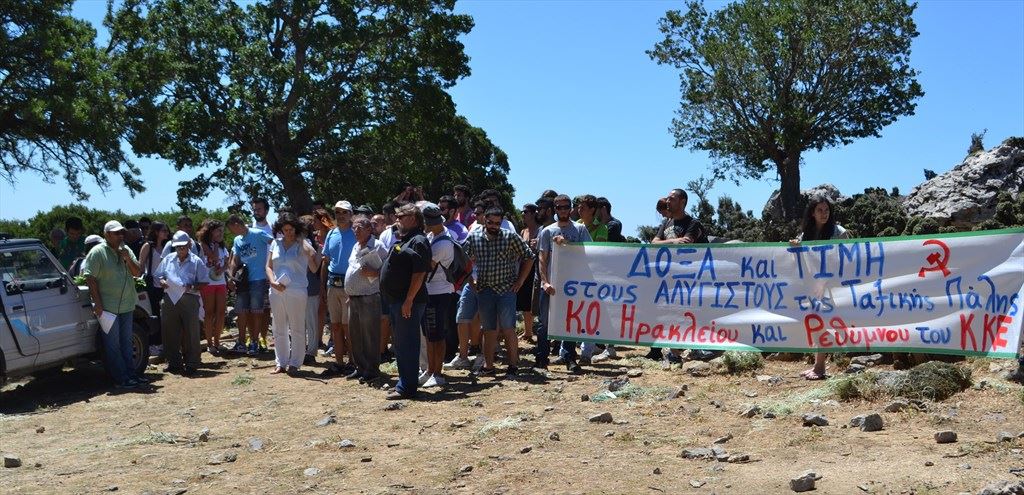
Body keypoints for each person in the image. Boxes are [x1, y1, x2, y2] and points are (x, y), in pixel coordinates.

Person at [463, 207, 535, 377]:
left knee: (509, 328)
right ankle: (489, 366)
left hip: (506, 290)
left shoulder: (509, 237)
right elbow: (464, 260)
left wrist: (520, 281)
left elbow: (529, 256)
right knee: (488, 329)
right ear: (484, 220)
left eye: (497, 223)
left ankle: (512, 366)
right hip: (484, 289)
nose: (494, 226)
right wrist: (470, 280)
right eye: (490, 222)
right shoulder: (474, 237)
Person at [790, 196, 850, 380]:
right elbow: (800, 262)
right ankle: (818, 364)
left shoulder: (839, 233)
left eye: (827, 210)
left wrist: (823, 282)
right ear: (812, 213)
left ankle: (820, 367)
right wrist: (796, 248)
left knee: (823, 322)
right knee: (816, 323)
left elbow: (845, 261)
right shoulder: (805, 235)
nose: (824, 214)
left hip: (834, 285)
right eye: (820, 210)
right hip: (812, 286)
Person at [82, 220, 145, 389]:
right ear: (107, 235)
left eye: (122, 233)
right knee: (113, 345)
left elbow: (137, 272)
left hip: (127, 304)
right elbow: (90, 278)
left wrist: (127, 259)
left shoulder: (126, 250)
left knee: (126, 342)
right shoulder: (97, 252)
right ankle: (121, 378)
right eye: (116, 233)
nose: (120, 236)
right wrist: (97, 303)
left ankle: (132, 375)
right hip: (108, 308)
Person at [380, 203, 432, 399]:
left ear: (414, 218)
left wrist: (409, 299)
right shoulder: (406, 240)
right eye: (397, 216)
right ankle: (404, 383)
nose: (397, 219)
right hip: (397, 300)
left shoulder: (419, 240)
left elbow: (420, 273)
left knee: (408, 343)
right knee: (400, 344)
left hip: (408, 301)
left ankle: (407, 388)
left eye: (402, 216)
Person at [538, 195, 592, 371]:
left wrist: (567, 244)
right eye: (559, 207)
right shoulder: (547, 231)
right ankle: (541, 360)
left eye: (566, 207)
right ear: (554, 209)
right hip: (551, 285)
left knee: (570, 322)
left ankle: (569, 358)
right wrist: (544, 282)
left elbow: (591, 253)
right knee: (544, 323)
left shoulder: (580, 229)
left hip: (573, 285)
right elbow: (542, 259)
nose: (562, 210)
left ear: (571, 208)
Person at [267, 213, 321, 375]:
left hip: (297, 290)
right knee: (278, 327)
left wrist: (302, 241)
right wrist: (272, 282)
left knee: (297, 327)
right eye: (285, 230)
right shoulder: (275, 244)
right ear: (281, 230)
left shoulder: (304, 244)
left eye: (291, 229)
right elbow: (268, 266)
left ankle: (295, 363)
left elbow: (314, 267)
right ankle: (281, 362)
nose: (288, 232)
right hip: (276, 290)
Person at [154, 231, 209, 375]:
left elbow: (204, 281)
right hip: (169, 297)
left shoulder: (196, 261)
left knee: (191, 331)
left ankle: (192, 363)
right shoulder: (168, 259)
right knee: (169, 331)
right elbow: (158, 275)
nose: (180, 250)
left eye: (183, 247)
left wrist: (191, 287)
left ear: (189, 245)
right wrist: (162, 282)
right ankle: (174, 362)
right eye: (177, 247)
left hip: (189, 297)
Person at [345, 215, 387, 383]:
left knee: (370, 335)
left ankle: (371, 369)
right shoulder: (355, 246)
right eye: (354, 228)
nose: (356, 231)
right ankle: (360, 368)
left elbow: (387, 270)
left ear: (369, 229)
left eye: (359, 228)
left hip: (369, 296)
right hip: (353, 297)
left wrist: (375, 273)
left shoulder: (378, 246)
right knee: (355, 335)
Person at [226, 214, 274, 355]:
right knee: (241, 311)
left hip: (259, 278)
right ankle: (241, 342)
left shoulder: (258, 233)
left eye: (231, 228)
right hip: (244, 279)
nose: (231, 231)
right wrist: (231, 275)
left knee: (257, 311)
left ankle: (254, 341)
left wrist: (271, 266)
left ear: (236, 224)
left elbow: (275, 244)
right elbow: (235, 259)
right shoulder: (237, 240)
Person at [420, 204, 456, 387]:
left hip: (439, 292)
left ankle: (438, 373)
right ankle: (430, 370)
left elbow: (426, 266)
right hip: (431, 291)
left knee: (437, 335)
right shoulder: (434, 236)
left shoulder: (442, 243)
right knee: (429, 333)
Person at [321, 201, 356, 374]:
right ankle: (339, 361)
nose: (340, 215)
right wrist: (322, 286)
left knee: (348, 326)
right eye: (337, 212)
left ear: (350, 214)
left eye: (344, 212)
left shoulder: (356, 232)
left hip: (350, 283)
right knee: (335, 325)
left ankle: (353, 361)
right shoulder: (331, 233)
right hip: (332, 283)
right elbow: (326, 260)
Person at [197, 219, 229, 355]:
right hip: (208, 283)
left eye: (222, 231)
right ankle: (210, 343)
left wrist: (222, 270)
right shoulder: (203, 245)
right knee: (209, 313)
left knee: (221, 313)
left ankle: (218, 341)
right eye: (218, 230)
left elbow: (227, 262)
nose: (221, 233)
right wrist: (215, 245)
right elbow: (214, 257)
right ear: (210, 232)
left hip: (220, 282)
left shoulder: (223, 246)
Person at [518, 203, 541, 343]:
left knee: (534, 301)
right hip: (524, 268)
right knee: (525, 301)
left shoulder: (541, 230)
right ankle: (528, 332)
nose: (523, 214)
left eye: (525, 212)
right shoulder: (523, 232)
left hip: (537, 268)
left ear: (533, 213)